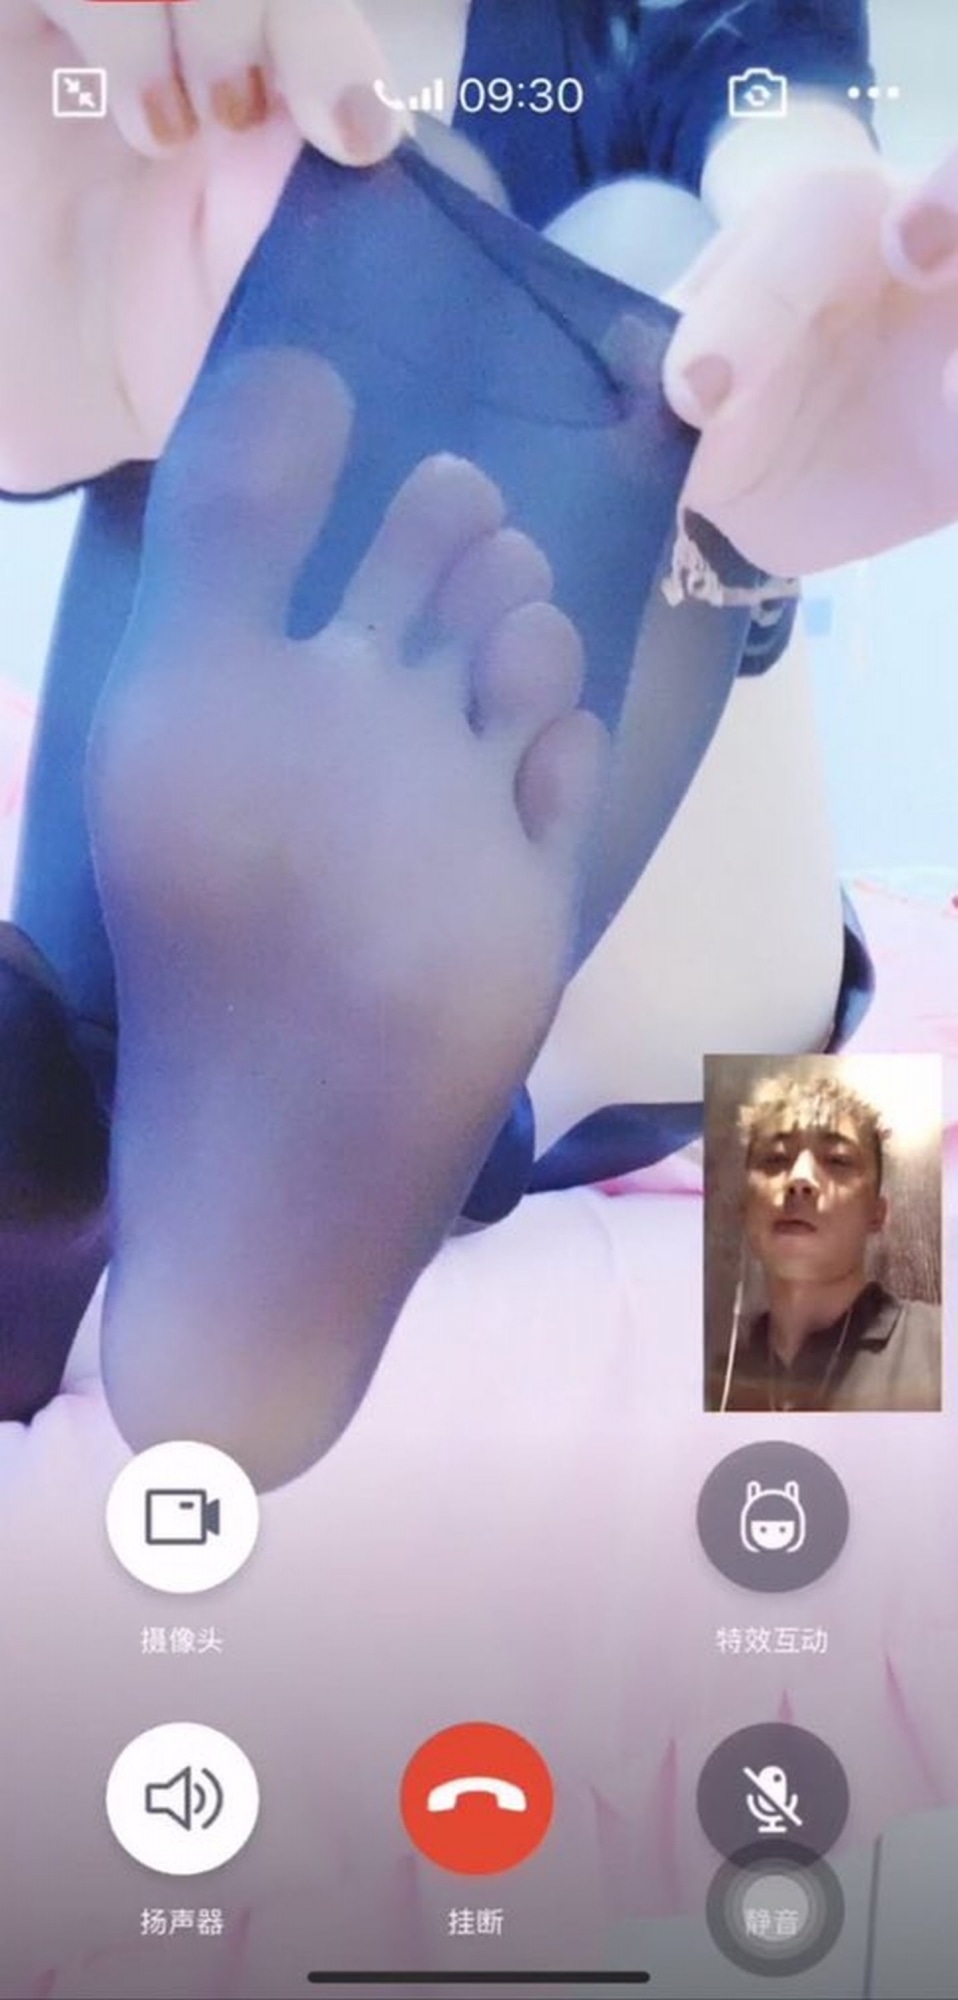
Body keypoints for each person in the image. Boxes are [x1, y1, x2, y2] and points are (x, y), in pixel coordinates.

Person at [0, 0, 955, 1476]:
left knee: (629, 261)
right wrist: (67, 331)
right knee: (373, 239)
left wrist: (812, 272)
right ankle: (193, 1139)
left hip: (556, 811)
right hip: (662, 997)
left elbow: (784, 140)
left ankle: (69, 1119)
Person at [711, 1070, 942, 1413]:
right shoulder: (717, 1384)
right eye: (776, 1158)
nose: (800, 1179)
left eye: (837, 1160)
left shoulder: (940, 1347)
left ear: (876, 1214)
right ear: (746, 1209)